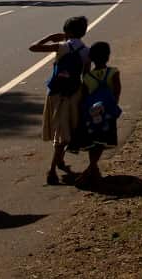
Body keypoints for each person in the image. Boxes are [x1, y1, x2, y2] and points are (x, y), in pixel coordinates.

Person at [30, 16, 90, 185]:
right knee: (67, 128)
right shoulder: (86, 51)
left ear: (66, 32)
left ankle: (52, 170)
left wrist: (49, 37)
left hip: (56, 93)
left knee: (59, 130)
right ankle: (60, 161)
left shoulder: (62, 47)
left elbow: (33, 48)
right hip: (74, 93)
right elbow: (86, 76)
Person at [74, 41, 122, 187]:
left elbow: (82, 98)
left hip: (92, 115)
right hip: (107, 114)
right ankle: (91, 170)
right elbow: (117, 92)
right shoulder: (113, 72)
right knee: (102, 141)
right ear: (107, 57)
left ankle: (93, 170)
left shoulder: (87, 78)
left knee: (93, 142)